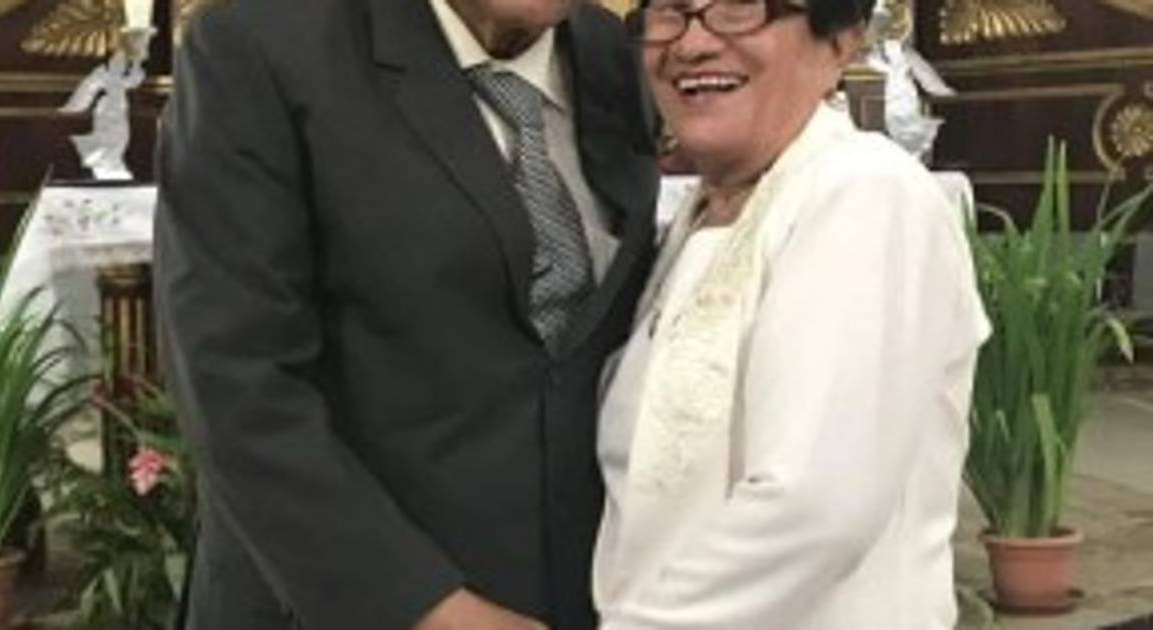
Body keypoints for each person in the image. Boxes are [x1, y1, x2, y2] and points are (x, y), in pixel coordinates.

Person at [152, 0, 658, 627]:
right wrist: (424, 608)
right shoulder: (264, 48)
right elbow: (235, 381)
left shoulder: (616, 51)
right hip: (351, 601)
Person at [592, 0, 991, 628]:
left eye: (736, 8)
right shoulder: (702, 213)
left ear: (840, 42)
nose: (691, 44)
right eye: (670, 11)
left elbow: (814, 506)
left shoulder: (865, 192)